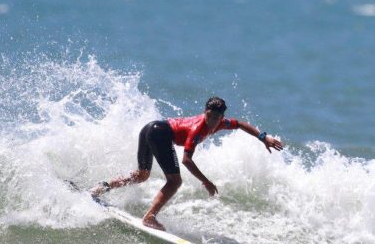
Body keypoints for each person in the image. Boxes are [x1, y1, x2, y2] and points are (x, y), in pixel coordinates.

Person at [90, 96, 284, 231]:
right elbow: (186, 160)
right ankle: (150, 217)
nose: (212, 121)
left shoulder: (222, 123)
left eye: (217, 118)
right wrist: (206, 181)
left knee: (142, 175)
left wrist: (262, 137)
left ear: (222, 117)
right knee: (175, 182)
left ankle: (102, 186)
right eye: (210, 116)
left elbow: (241, 124)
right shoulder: (197, 129)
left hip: (150, 127)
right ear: (205, 112)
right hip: (159, 132)